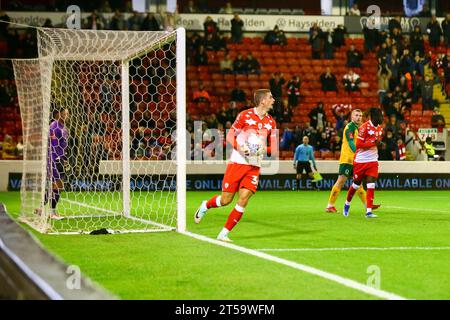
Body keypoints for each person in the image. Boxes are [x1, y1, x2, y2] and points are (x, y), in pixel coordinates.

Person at [193, 89, 277, 242]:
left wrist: (265, 149)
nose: (274, 100)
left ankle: (223, 233)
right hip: (238, 162)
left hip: (254, 166)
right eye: (271, 97)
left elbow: (274, 147)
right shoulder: (244, 115)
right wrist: (241, 148)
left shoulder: (271, 121)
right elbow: (230, 135)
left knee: (244, 198)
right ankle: (206, 205)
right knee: (225, 200)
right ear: (262, 101)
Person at [326, 109, 381, 213]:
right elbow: (351, 142)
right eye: (356, 115)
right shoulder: (350, 127)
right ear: (352, 117)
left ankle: (367, 205)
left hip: (356, 160)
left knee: (358, 184)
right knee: (341, 181)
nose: (359, 117)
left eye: (360, 115)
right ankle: (330, 205)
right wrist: (358, 152)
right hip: (347, 159)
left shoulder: (360, 128)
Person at [343, 108, 384, 218]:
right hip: (361, 161)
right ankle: (347, 204)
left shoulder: (380, 129)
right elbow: (359, 144)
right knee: (356, 185)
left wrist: (380, 145)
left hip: (373, 161)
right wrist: (373, 143)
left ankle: (369, 211)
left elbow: (376, 143)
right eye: (380, 116)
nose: (382, 118)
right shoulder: (364, 127)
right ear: (374, 117)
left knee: (371, 184)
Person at [37, 108, 70, 220]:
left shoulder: (65, 128)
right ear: (58, 114)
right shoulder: (54, 126)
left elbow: (64, 146)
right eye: (64, 113)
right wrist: (55, 159)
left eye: (67, 114)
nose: (66, 116)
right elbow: (53, 146)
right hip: (54, 159)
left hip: (60, 159)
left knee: (54, 186)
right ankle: (52, 212)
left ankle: (41, 208)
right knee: (58, 185)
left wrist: (64, 159)